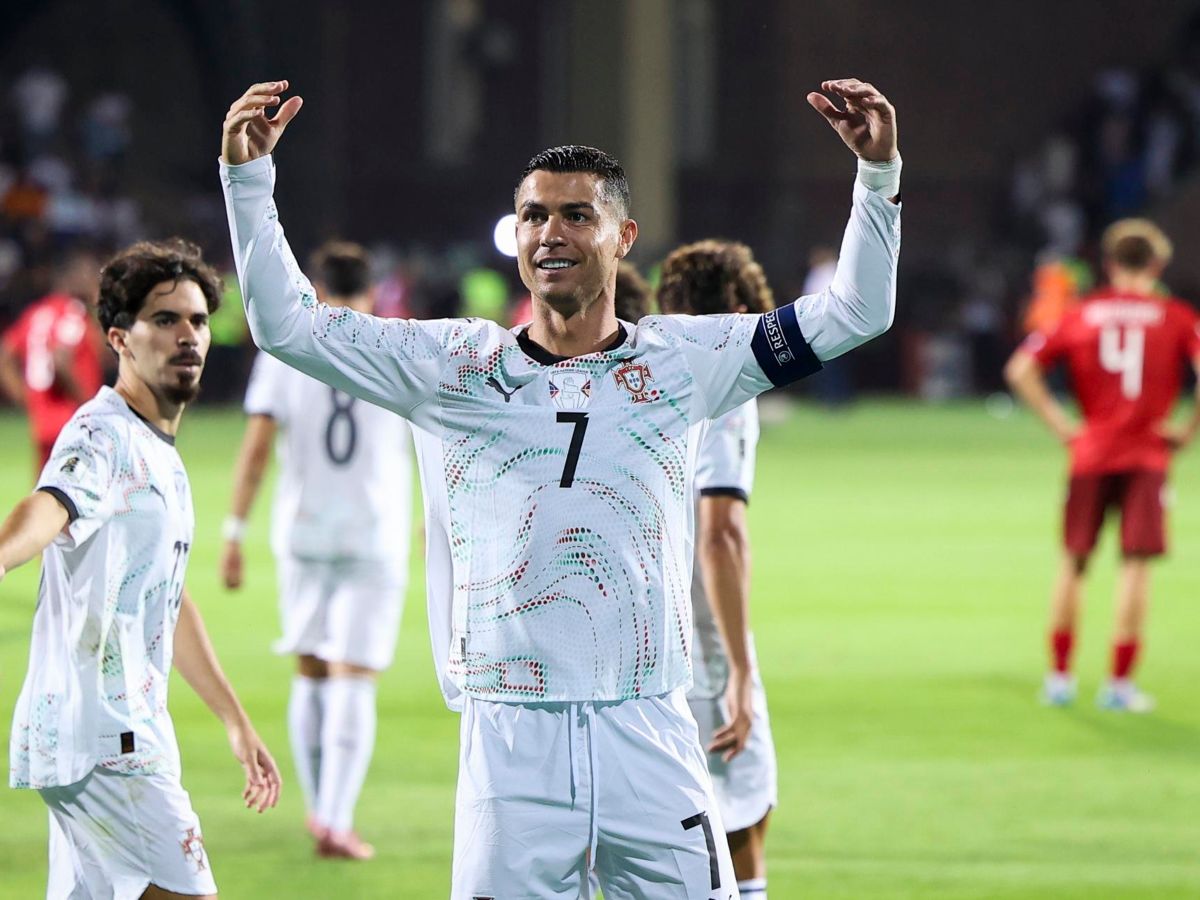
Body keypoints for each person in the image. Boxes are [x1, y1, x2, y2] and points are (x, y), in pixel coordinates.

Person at [220, 76, 901, 897]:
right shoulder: (457, 367)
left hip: (649, 724)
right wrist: (249, 182)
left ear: (624, 237)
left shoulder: (682, 361)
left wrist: (878, 177)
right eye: (535, 215)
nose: (551, 232)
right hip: (513, 736)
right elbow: (286, 325)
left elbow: (857, 311)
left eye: (577, 214)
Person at [0, 238, 281, 899]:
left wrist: (234, 721)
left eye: (197, 321)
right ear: (120, 338)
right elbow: (49, 507)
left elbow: (169, 601)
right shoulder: (102, 435)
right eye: (165, 320)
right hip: (105, 739)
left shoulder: (160, 452)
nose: (187, 336)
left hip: (106, 731)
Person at [220, 240, 413, 860]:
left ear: (319, 289)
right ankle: (336, 817)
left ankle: (316, 811)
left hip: (302, 531)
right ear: (372, 291)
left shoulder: (285, 350)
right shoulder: (396, 347)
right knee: (354, 676)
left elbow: (254, 451)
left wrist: (232, 532)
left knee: (310, 666)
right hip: (374, 532)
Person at [1005, 218, 1200, 712]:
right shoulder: (1175, 316)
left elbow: (1021, 368)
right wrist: (1187, 429)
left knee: (1073, 562)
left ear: (1109, 264)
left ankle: (1060, 678)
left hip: (1089, 452)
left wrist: (1062, 425)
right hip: (1148, 454)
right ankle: (1118, 685)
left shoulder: (1081, 314)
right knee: (1135, 567)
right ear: (1156, 265)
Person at [657, 239, 778, 900]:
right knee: (741, 826)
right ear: (738, 305)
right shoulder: (725, 380)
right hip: (700, 650)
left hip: (641, 646)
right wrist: (738, 669)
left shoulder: (642, 370)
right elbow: (721, 531)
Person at [0, 249, 106, 473]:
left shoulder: (37, 313)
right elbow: (60, 359)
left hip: (43, 422)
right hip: (72, 422)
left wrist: (28, 399)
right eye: (93, 278)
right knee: (77, 498)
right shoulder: (72, 313)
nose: (98, 287)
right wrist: (91, 405)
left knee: (47, 494)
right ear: (76, 279)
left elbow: (5, 357)